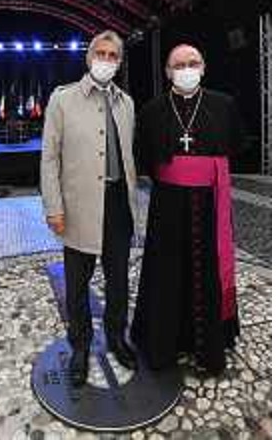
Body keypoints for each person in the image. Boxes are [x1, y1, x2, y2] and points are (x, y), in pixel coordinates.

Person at [131, 43, 244, 375]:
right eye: (178, 65)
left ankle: (210, 345)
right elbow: (145, 157)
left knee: (209, 269)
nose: (186, 69)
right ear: (168, 72)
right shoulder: (152, 110)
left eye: (193, 63)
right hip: (167, 207)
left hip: (210, 204)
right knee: (166, 273)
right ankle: (163, 343)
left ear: (204, 67)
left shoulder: (223, 105)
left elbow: (236, 144)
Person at [41, 30, 138, 387]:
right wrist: (54, 207)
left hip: (118, 205)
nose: (106, 61)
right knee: (77, 285)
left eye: (113, 56)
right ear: (88, 57)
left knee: (118, 281)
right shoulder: (63, 100)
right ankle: (80, 347)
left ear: (120, 62)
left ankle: (117, 337)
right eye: (101, 53)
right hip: (79, 206)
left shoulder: (126, 103)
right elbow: (49, 159)